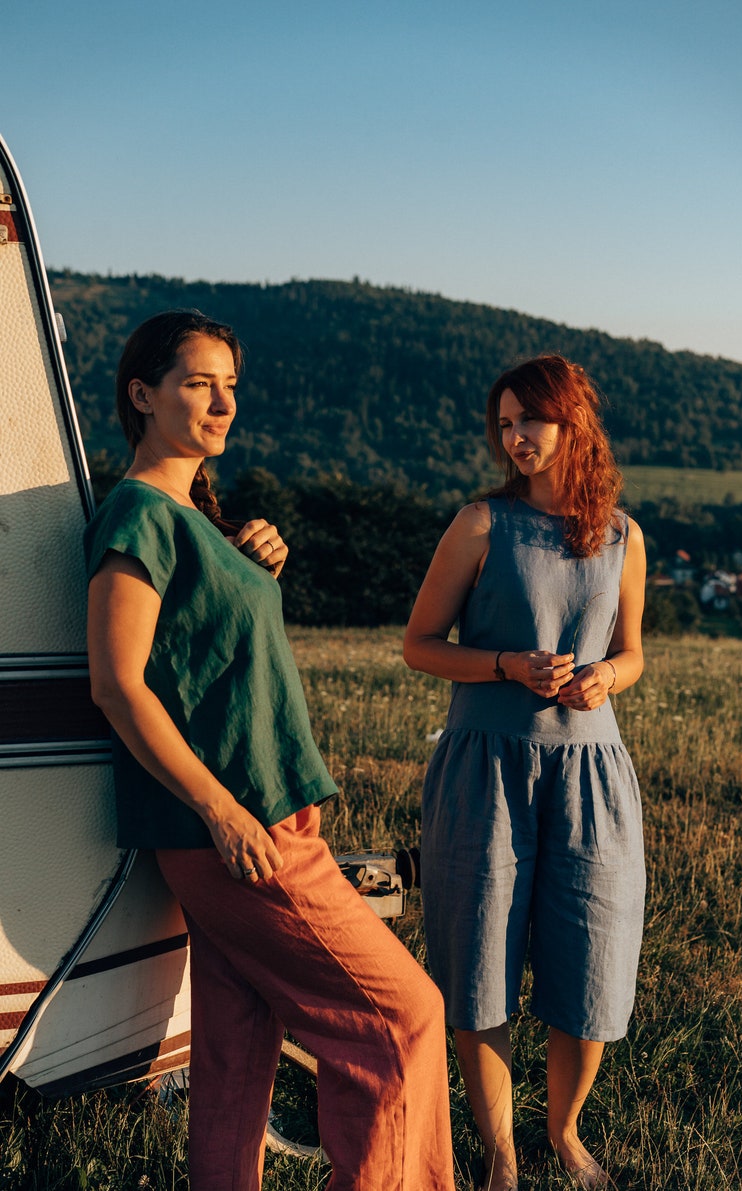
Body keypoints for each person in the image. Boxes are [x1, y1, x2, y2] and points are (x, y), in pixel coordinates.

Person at [85, 309, 455, 1191]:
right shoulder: (137, 514)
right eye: (198, 382)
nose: (223, 402)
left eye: (232, 385)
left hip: (256, 817)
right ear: (143, 394)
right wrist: (221, 811)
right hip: (237, 828)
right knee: (404, 1015)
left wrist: (252, 562)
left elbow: (203, 647)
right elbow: (118, 683)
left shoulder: (188, 516)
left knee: (237, 1048)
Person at [403, 354, 646, 1191]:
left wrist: (606, 677)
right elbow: (419, 645)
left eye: (528, 421)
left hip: (593, 774)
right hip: (485, 769)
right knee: (480, 965)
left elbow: (632, 651)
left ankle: (564, 1132)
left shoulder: (622, 533)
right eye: (503, 424)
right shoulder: (480, 522)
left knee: (595, 956)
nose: (514, 439)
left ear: (572, 420)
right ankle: (501, 1151)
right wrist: (506, 662)